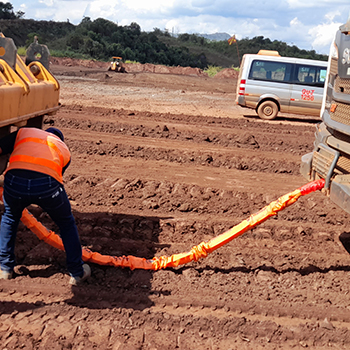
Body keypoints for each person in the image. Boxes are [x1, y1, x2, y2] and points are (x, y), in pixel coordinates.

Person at [0, 127, 90, 285]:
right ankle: (77, 272)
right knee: (66, 223)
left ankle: (5, 269)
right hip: (46, 187)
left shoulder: (25, 133)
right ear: (59, 138)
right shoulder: (64, 149)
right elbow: (57, 176)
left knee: (10, 217)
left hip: (15, 182)